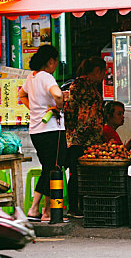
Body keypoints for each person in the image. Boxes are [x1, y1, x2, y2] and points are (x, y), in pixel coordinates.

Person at [18, 45, 66, 223]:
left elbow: (21, 94)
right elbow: (58, 94)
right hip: (51, 131)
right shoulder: (47, 77)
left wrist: (34, 109)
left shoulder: (32, 77)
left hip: (36, 131)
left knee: (50, 168)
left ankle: (47, 211)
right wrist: (58, 107)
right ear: (51, 61)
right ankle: (34, 207)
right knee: (53, 168)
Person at [64, 56, 106, 218]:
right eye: (103, 72)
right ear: (97, 71)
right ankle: (75, 207)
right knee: (78, 173)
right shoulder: (83, 86)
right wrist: (79, 135)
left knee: (81, 173)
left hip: (85, 137)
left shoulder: (85, 85)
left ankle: (81, 206)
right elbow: (79, 113)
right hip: (82, 138)